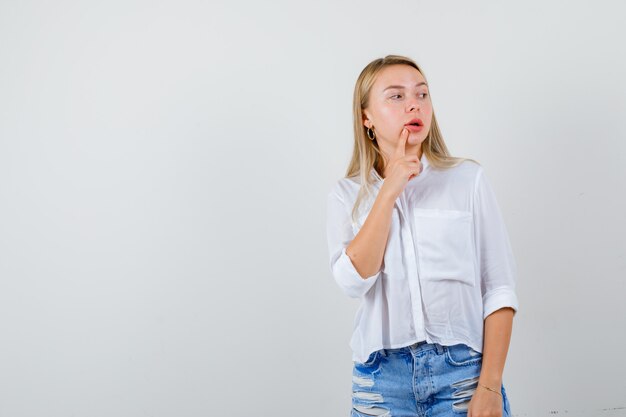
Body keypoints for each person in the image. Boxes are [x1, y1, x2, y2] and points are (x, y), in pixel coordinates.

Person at [325, 55, 519, 417]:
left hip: (463, 376)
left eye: (422, 94)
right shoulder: (347, 195)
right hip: (381, 383)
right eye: (396, 96)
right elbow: (353, 281)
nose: (415, 104)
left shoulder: (467, 180)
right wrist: (389, 190)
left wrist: (490, 385)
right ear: (366, 117)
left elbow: (499, 289)